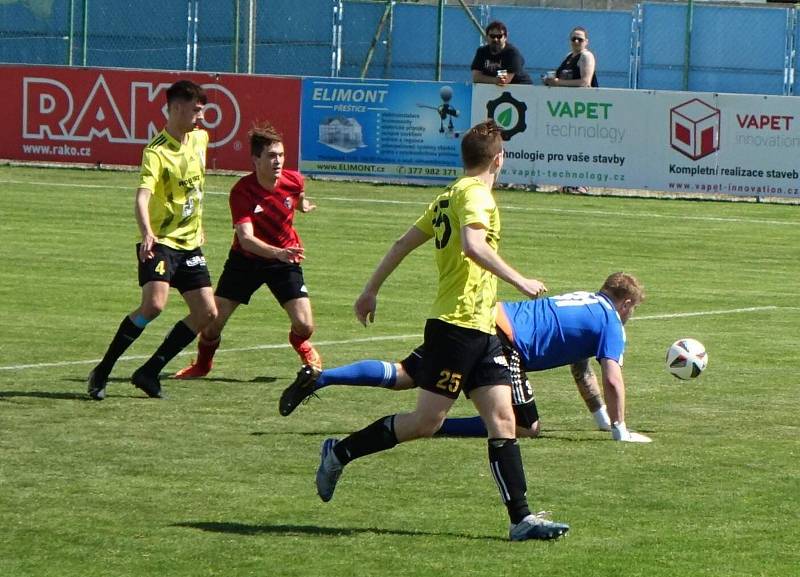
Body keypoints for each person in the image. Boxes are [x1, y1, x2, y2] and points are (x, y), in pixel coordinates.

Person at [313, 120, 569, 541]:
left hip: (482, 328)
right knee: (424, 423)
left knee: (503, 420)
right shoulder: (474, 195)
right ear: (499, 159)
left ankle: (521, 519)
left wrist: (370, 290)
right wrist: (521, 281)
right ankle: (339, 453)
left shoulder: (448, 195)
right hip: (455, 327)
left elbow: (401, 243)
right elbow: (473, 245)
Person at [280, 273, 651, 443]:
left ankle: (321, 376)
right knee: (525, 427)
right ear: (627, 303)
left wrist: (601, 419)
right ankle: (437, 427)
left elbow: (580, 368)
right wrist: (620, 430)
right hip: (506, 344)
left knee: (404, 373)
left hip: (481, 318)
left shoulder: (587, 300)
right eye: (633, 309)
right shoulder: (611, 321)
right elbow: (612, 377)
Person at [87, 80, 217, 400]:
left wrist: (197, 224)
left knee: (207, 314)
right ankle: (102, 369)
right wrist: (147, 232)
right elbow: (142, 196)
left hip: (189, 244)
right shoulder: (156, 151)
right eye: (195, 109)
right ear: (175, 108)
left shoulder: (200, 138)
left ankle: (150, 370)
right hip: (160, 241)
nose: (200, 115)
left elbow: (193, 190)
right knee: (154, 305)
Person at [173, 122, 320, 380]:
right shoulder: (242, 192)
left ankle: (301, 345)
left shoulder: (294, 180)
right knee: (212, 322)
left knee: (305, 325)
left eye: (281, 155)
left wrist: (302, 205)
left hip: (284, 260)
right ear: (256, 159)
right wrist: (277, 253)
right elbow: (247, 239)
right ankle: (203, 365)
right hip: (246, 261)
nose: (278, 161)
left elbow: (295, 198)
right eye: (271, 156)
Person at [543, 26, 597, 194]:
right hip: (567, 108)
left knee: (582, 147)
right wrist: (551, 81)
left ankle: (583, 184)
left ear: (586, 42)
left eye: (579, 39)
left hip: (583, 108)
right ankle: (569, 183)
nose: (575, 42)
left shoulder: (586, 57)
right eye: (573, 38)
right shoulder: (568, 57)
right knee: (568, 146)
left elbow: (585, 82)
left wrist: (558, 83)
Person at [471, 21, 533, 86]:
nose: (495, 39)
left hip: (521, 87)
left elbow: (504, 80)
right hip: (496, 88)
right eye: (492, 36)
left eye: (499, 36)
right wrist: (495, 80)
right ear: (487, 37)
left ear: (505, 37)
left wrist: (488, 79)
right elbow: (476, 77)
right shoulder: (481, 52)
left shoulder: (512, 53)